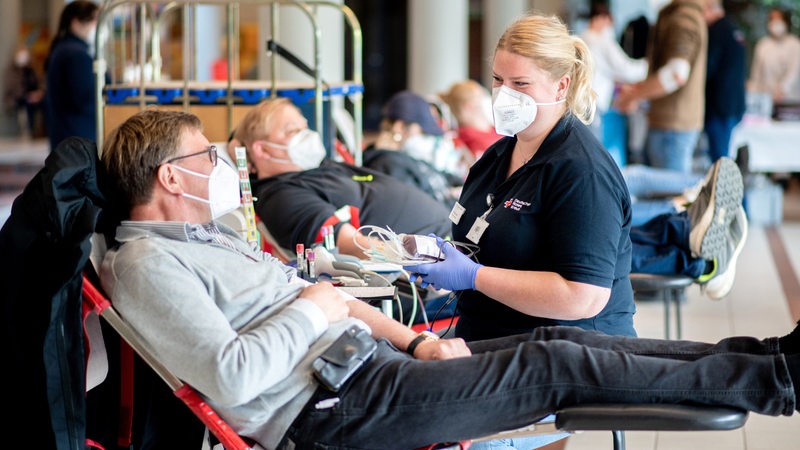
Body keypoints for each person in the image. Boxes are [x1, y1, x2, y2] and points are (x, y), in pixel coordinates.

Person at [97, 108, 800, 450]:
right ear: (169, 177)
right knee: (556, 363)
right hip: (334, 411)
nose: (223, 163)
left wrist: (416, 344)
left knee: (560, 338)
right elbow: (232, 373)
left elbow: (333, 297)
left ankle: (770, 359)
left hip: (371, 367)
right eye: (207, 155)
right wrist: (311, 307)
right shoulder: (146, 264)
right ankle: (777, 379)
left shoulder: (204, 238)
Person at [400, 13, 745, 347]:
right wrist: (441, 256)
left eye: (520, 84)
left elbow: (584, 296)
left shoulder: (582, 172)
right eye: (498, 80)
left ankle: (685, 222)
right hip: (493, 342)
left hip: (569, 354)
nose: (504, 94)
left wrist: (473, 276)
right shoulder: (496, 158)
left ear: (561, 84)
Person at [231, 97, 452, 259]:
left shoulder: (315, 170)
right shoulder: (283, 196)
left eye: (304, 128)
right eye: (292, 131)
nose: (307, 136)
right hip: (429, 270)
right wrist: (428, 259)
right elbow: (347, 244)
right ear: (263, 150)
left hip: (450, 240)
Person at [615, 0, 708, 173]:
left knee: (669, 196)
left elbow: (676, 74)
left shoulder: (683, 17)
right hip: (671, 125)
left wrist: (634, 95)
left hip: (672, 127)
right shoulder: (677, 15)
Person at [362, 90, 464, 208]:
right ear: (400, 127)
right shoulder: (389, 166)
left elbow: (449, 177)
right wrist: (454, 199)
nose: (428, 140)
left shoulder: (408, 157)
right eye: (423, 133)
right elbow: (424, 209)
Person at [579, 3, 648, 143]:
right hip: (593, 103)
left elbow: (603, 70)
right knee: (593, 147)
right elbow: (626, 69)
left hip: (582, 100)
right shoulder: (601, 42)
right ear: (601, 18)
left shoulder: (582, 37)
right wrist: (650, 65)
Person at [43, 0, 99, 152]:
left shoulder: (63, 48)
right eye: (93, 20)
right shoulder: (76, 54)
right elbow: (85, 98)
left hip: (66, 135)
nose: (96, 26)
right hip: (79, 136)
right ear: (76, 23)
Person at [703, 0, 747, 164]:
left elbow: (707, 68)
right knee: (724, 156)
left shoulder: (717, 31)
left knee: (720, 163)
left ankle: (732, 190)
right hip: (734, 105)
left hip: (720, 108)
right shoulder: (733, 29)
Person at [438, 80, 503, 160]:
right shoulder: (464, 137)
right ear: (468, 106)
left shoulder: (496, 129)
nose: (488, 99)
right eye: (481, 97)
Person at [747, 7, 800, 104]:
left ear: (786, 21)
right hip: (765, 99)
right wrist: (753, 90)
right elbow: (756, 74)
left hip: (789, 99)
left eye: (778, 19)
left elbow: (794, 72)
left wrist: (783, 89)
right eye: (772, 19)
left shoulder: (795, 44)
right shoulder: (763, 45)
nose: (775, 22)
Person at [3, 47, 44, 138]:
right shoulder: (12, 71)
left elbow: (39, 83)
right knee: (26, 104)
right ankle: (28, 131)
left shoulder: (32, 69)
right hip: (18, 99)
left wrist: (38, 93)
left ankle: (38, 131)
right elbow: (12, 89)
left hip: (33, 97)